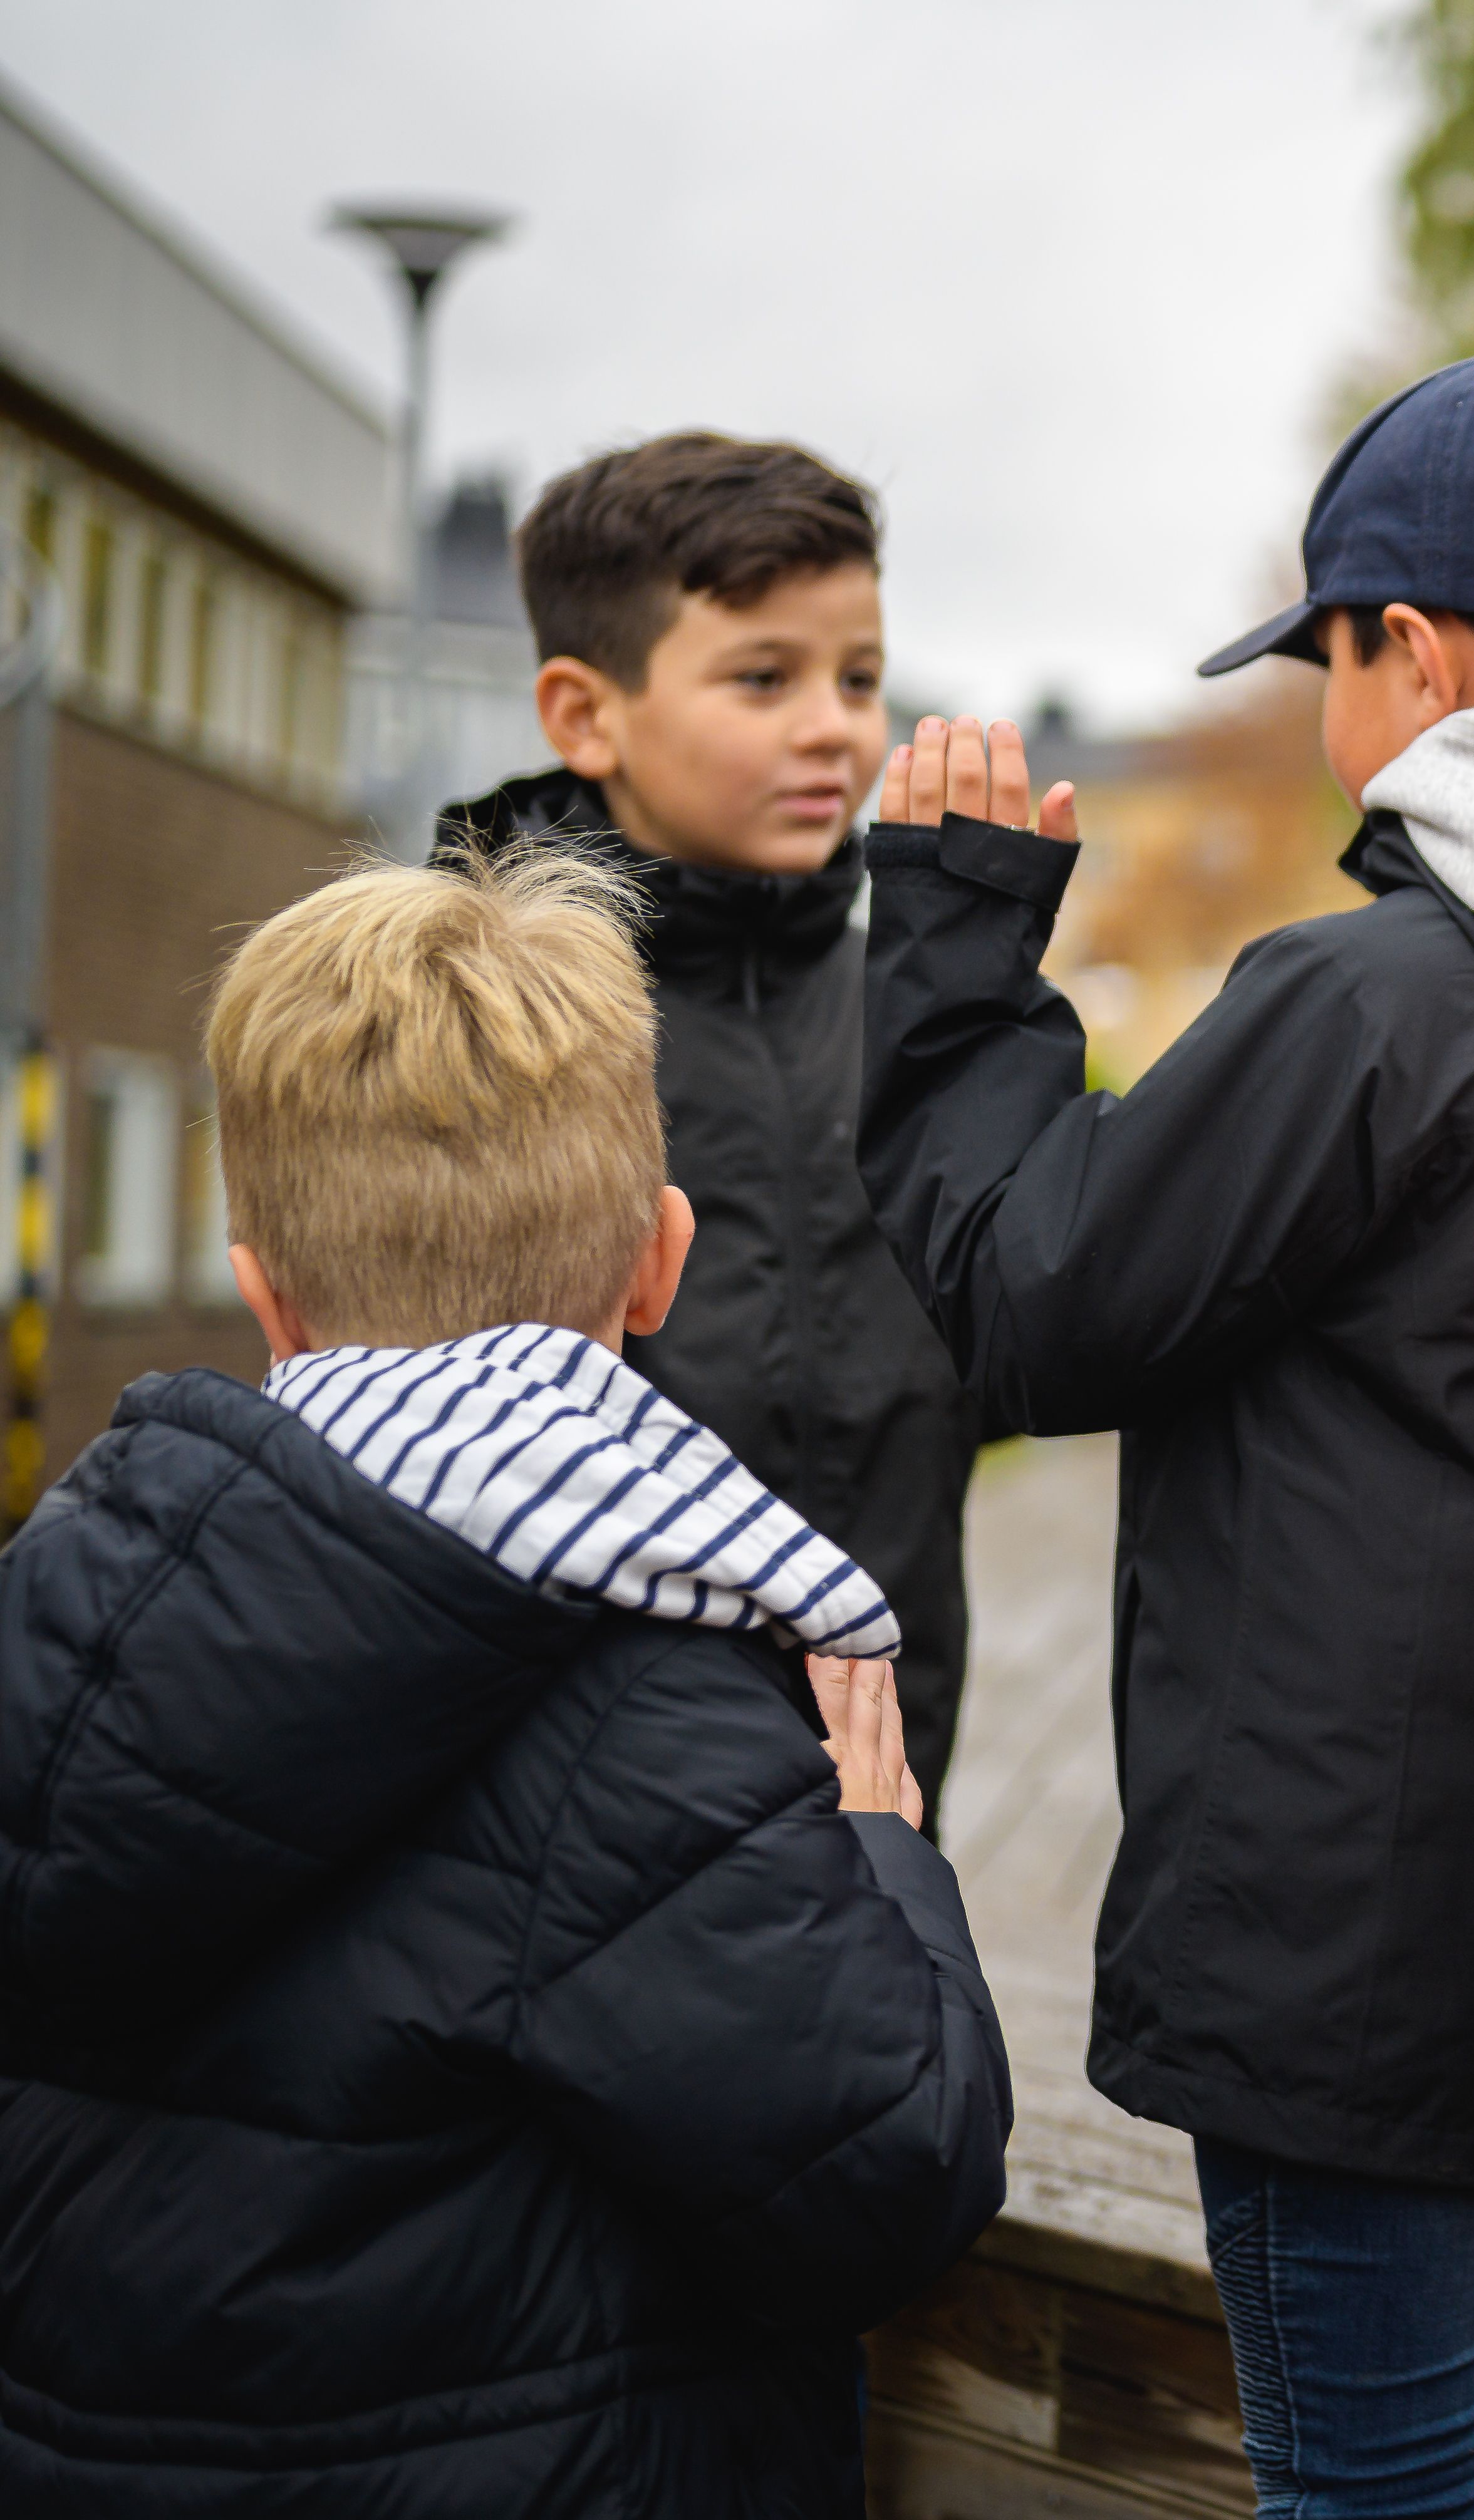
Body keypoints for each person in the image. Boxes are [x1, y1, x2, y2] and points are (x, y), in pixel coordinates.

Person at [857, 345, 1474, 2518]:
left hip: (1346, 1963)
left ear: (1418, 652)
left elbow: (1031, 1300)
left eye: (1331, 659)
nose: (1324, 711)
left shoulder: (1382, 1000)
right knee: (1465, 2457)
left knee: (1369, 2488)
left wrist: (965, 965)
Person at [0, 849, 1009, 2516]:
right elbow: (888, 2172)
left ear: (261, 1288)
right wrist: (887, 1854)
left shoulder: (64, 1618)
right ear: (658, 1264)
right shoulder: (641, 1712)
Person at [444, 433, 980, 1806]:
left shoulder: (920, 1006)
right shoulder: (483, 1013)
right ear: (585, 712)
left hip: (888, 1751)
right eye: (763, 677)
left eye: (857, 677)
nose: (834, 726)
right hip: (572, 1772)